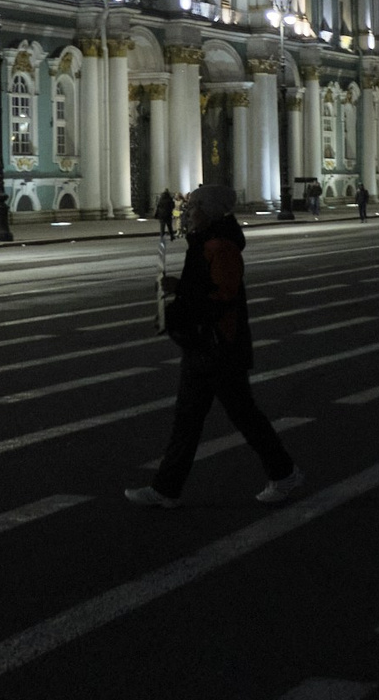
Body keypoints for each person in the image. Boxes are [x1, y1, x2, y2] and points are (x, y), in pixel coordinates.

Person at [127, 184, 301, 509]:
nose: (188, 213)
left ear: (208, 211)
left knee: (242, 417)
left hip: (220, 346)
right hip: (204, 345)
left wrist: (177, 312)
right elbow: (203, 288)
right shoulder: (207, 241)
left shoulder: (220, 246)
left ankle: (285, 472)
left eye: (193, 208)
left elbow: (221, 297)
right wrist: (177, 296)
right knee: (189, 420)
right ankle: (166, 489)